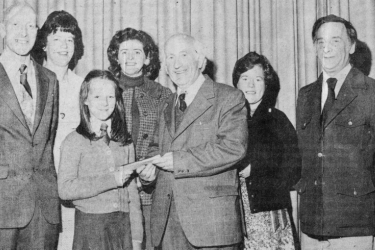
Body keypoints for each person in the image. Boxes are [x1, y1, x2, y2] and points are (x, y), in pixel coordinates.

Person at [137, 34, 248, 250]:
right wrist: (148, 170)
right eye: (170, 58)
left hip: (212, 226)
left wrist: (179, 161)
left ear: (200, 60)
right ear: (165, 67)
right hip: (168, 225)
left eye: (183, 55)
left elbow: (233, 148)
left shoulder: (229, 97)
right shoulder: (167, 103)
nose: (176, 64)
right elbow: (155, 148)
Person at [0, 1, 60, 249]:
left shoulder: (49, 80)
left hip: (42, 211)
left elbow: (46, 145)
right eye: (16, 24)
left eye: (31, 26)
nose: (24, 32)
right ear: (2, 29)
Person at [295, 14, 375, 250]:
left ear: (351, 46)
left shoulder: (371, 92)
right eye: (321, 42)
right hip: (311, 225)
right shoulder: (305, 94)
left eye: (335, 41)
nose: (326, 49)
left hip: (355, 224)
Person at [58, 70, 143, 250]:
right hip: (91, 229)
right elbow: (65, 189)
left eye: (110, 97)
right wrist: (112, 180)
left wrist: (137, 237)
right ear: (85, 100)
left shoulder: (124, 141)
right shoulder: (74, 140)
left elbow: (132, 194)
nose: (104, 103)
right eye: (97, 96)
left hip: (122, 228)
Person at [107, 27, 172, 250]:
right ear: (116, 56)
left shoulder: (163, 94)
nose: (131, 57)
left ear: (147, 58)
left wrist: (148, 170)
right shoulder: (105, 88)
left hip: (150, 189)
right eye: (124, 52)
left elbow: (166, 139)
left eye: (137, 52)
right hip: (111, 187)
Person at [232, 52, 301, 249]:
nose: (251, 85)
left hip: (269, 215)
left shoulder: (278, 120)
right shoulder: (225, 119)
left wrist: (256, 169)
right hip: (232, 214)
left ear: (266, 84)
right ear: (236, 83)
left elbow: (294, 168)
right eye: (245, 79)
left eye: (258, 79)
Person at [31, 10, 84, 250]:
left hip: (72, 189)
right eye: (57, 39)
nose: (64, 46)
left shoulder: (83, 86)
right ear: (43, 44)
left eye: (70, 39)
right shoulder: (29, 81)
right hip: (37, 189)